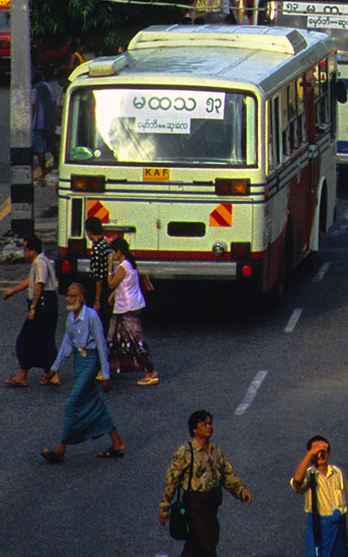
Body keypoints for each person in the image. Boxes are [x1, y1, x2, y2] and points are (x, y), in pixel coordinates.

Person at [39, 281, 125, 463]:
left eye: (72, 295)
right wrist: (54, 368)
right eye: (68, 295)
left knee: (72, 403)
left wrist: (106, 374)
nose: (68, 299)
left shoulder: (92, 316)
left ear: (81, 297)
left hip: (91, 361)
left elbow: (101, 345)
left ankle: (61, 447)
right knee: (94, 401)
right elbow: (67, 345)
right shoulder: (70, 318)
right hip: (79, 361)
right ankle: (117, 441)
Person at [159, 409, 251, 555]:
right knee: (204, 540)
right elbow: (172, 480)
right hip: (195, 503)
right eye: (204, 424)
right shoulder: (185, 452)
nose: (209, 427)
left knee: (208, 537)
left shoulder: (215, 451)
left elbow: (226, 474)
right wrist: (165, 507)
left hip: (212, 501)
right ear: (195, 429)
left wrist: (241, 490)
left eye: (210, 423)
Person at [1, 233, 58, 387]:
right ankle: (51, 374)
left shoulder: (39, 262)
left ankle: (24, 375)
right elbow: (30, 281)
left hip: (42, 306)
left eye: (26, 249)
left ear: (33, 250)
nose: (24, 252)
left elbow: (39, 284)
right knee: (44, 339)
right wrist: (13, 291)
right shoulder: (43, 261)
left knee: (25, 339)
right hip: (48, 305)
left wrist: (33, 307)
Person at [106, 236, 158, 385]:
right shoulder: (130, 264)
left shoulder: (122, 267)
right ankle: (108, 368)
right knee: (114, 338)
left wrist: (110, 268)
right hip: (126, 306)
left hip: (128, 308)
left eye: (113, 252)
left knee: (135, 341)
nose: (112, 255)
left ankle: (151, 371)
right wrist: (113, 295)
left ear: (119, 252)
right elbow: (126, 285)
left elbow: (111, 283)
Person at [291, 434, 348, 557]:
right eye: (316, 450)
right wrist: (309, 455)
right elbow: (297, 481)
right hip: (319, 527)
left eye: (323, 450)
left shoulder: (337, 472)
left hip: (338, 528)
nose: (320, 454)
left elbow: (343, 503)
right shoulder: (309, 474)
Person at [85, 215, 114, 322]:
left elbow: (98, 277)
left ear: (89, 232)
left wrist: (97, 300)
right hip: (108, 288)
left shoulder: (96, 249)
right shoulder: (105, 244)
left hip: (99, 291)